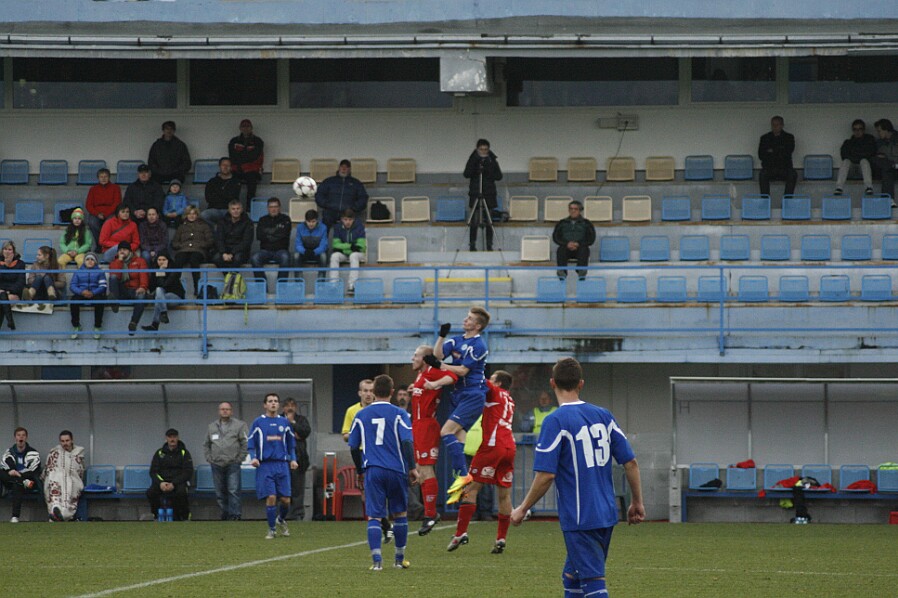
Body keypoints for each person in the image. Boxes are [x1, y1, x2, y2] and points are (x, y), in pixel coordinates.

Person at [510, 357, 645, 597]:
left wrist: (522, 508)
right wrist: (637, 502)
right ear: (580, 383)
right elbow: (630, 462)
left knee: (593, 583)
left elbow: (546, 475)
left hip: (581, 517)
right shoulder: (603, 415)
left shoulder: (555, 420)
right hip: (606, 513)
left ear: (552, 383)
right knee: (572, 577)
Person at [347, 374, 419, 570]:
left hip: (374, 470)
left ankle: (377, 562)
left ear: (374, 392)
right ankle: (399, 559)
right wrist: (412, 467)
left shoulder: (361, 415)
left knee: (374, 516)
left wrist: (360, 470)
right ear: (392, 392)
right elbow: (406, 441)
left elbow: (353, 446)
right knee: (400, 513)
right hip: (396, 469)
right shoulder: (400, 414)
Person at [447, 370, 516, 554]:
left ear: (498, 383)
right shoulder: (509, 399)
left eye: (493, 379)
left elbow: (477, 378)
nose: (489, 382)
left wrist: (457, 368)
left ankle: (460, 533)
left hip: (492, 446)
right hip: (509, 446)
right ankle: (501, 538)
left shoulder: (495, 391)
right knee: (504, 494)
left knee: (470, 488)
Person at [427, 307, 491, 499]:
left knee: (445, 431)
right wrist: (441, 336)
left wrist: (440, 367)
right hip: (459, 394)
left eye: (469, 319)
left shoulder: (479, 345)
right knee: (459, 436)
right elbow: (437, 355)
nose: (465, 320)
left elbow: (463, 371)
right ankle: (464, 481)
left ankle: (463, 475)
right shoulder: (457, 339)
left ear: (477, 325)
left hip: (472, 394)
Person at [409, 345, 457, 535]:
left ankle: (431, 514)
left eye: (416, 355)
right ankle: (428, 513)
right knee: (421, 469)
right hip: (419, 425)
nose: (412, 358)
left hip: (427, 426)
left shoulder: (432, 372)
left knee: (426, 468)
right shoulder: (421, 375)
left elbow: (453, 376)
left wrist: (436, 384)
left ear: (425, 359)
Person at [249, 393, 298, 539]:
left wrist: (293, 460)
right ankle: (271, 529)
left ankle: (281, 520)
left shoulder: (284, 422)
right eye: (270, 401)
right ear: (265, 405)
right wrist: (253, 458)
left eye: (276, 401)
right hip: (265, 465)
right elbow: (251, 444)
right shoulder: (258, 422)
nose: (273, 403)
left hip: (282, 465)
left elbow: (291, 444)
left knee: (286, 500)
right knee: (271, 497)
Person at [203, 401, 248, 521]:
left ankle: (235, 515)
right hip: (216, 463)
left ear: (231, 411)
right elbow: (206, 444)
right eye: (222, 409)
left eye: (227, 409)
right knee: (220, 492)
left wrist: (240, 458)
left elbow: (245, 443)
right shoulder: (211, 426)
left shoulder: (240, 425)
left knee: (233, 490)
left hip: (233, 463)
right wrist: (209, 458)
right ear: (219, 411)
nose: (225, 411)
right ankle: (225, 514)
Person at [463, 139, 503, 251]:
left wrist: (488, 170)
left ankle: (489, 245)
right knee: (475, 220)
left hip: (489, 193)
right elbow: (466, 174)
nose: (484, 151)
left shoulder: (492, 160)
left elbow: (499, 176)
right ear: (477, 149)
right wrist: (476, 166)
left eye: (486, 149)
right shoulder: (473, 159)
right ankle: (472, 244)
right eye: (481, 149)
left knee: (489, 220)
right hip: (476, 193)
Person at [147, 428, 195, 521]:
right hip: (162, 482)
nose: (172, 439)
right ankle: (156, 515)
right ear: (166, 439)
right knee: (151, 492)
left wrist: (174, 483)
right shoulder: (159, 453)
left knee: (181, 492)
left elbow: (188, 471)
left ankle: (184, 516)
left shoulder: (184, 453)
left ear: (178, 438)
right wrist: (161, 483)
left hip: (178, 482)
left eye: (174, 437)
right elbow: (153, 471)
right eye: (170, 437)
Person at [171, 205, 215, 297]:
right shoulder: (181, 227)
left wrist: (200, 245)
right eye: (189, 214)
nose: (191, 216)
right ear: (186, 215)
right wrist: (182, 246)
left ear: (197, 215)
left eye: (194, 214)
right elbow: (174, 242)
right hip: (183, 250)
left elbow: (210, 241)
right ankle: (176, 287)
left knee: (194, 260)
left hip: (198, 251)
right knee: (179, 260)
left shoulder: (204, 226)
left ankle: (196, 288)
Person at [42, 430, 85, 522]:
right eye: (62, 441)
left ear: (72, 440)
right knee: (55, 485)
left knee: (70, 499)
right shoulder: (54, 453)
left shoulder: (78, 454)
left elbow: (80, 471)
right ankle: (56, 509)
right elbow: (48, 469)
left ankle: (60, 515)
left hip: (73, 481)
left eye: (67, 441)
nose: (65, 443)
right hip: (56, 481)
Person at [107, 241, 150, 335]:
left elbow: (144, 275)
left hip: (135, 289)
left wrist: (143, 287)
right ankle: (114, 302)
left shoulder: (139, 261)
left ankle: (133, 322)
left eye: (125, 250)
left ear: (130, 251)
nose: (122, 252)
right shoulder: (115, 262)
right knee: (113, 277)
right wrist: (119, 261)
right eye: (120, 250)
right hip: (122, 290)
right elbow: (116, 276)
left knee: (141, 296)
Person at [0, 427, 41, 522]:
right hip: (13, 479)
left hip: (28, 480)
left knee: (17, 484)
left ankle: (15, 516)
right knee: (4, 474)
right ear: (15, 437)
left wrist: (19, 475)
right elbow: (5, 465)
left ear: (26, 437)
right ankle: (19, 482)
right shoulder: (9, 452)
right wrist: (11, 471)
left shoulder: (33, 453)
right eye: (18, 435)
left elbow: (33, 471)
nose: (21, 437)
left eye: (23, 435)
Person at [459, 414, 495, 522]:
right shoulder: (467, 413)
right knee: (468, 483)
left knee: (485, 483)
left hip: (484, 453)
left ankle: (486, 512)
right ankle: (471, 512)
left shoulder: (488, 413)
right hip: (467, 453)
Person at [251, 197, 292, 291]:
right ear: (267, 208)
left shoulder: (286, 219)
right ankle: (262, 288)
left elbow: (284, 234)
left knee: (285, 257)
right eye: (271, 207)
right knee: (255, 258)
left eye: (276, 206)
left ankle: (281, 289)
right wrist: (276, 233)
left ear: (279, 208)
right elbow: (259, 236)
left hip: (281, 251)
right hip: (265, 251)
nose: (273, 209)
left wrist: (268, 233)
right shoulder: (262, 220)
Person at [315, 159, 369, 227]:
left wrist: (353, 208)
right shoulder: (329, 181)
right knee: (325, 221)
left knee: (355, 222)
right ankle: (324, 238)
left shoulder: (356, 183)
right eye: (342, 167)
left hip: (349, 212)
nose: (343, 169)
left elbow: (363, 198)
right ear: (339, 168)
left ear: (349, 169)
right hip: (331, 211)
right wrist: (327, 205)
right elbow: (319, 195)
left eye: (346, 167)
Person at [282, 398, 311, 521]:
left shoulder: (301, 419)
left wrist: (292, 423)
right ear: (283, 407)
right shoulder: (277, 419)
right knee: (282, 489)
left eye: (292, 405)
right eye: (287, 405)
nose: (290, 408)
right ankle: (283, 514)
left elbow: (304, 432)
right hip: (282, 459)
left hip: (299, 458)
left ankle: (297, 515)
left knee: (297, 489)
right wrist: (294, 435)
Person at [141, 252, 185, 332]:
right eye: (159, 260)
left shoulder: (174, 271)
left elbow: (165, 285)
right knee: (159, 293)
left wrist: (161, 272)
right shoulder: (154, 270)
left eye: (164, 260)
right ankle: (163, 314)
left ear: (168, 260)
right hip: (162, 298)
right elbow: (152, 287)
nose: (161, 262)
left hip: (175, 297)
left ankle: (155, 324)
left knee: (159, 296)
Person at [552, 200, 596, 280]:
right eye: (571, 209)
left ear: (580, 210)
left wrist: (578, 243)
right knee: (561, 249)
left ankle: (581, 272)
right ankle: (562, 273)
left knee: (585, 250)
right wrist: (566, 244)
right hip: (566, 248)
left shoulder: (586, 223)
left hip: (580, 248)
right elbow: (556, 237)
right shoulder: (562, 223)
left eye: (575, 209)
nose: (573, 211)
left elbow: (591, 239)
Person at [69, 252, 107, 339]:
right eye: (87, 259)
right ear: (84, 261)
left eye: (92, 259)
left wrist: (93, 292)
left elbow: (103, 286)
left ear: (95, 262)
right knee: (73, 301)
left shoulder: (100, 272)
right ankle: (76, 326)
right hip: (81, 293)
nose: (90, 261)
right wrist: (82, 292)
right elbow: (73, 285)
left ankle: (97, 326)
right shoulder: (78, 272)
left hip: (95, 293)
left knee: (100, 301)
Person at [835, 119, 877, 196]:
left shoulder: (869, 140)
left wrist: (854, 155)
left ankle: (868, 187)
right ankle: (839, 188)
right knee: (846, 161)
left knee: (864, 161)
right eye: (855, 129)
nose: (857, 131)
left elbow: (870, 153)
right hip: (851, 170)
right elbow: (844, 155)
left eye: (860, 129)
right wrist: (860, 155)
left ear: (864, 130)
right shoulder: (848, 142)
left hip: (864, 170)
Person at [328, 209, 366, 293]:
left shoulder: (360, 227)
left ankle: (352, 286)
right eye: (345, 220)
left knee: (353, 256)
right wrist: (350, 246)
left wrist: (345, 247)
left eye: (350, 220)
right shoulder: (337, 227)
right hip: (344, 253)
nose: (348, 222)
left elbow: (361, 246)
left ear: (353, 219)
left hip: (358, 253)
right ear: (342, 219)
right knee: (334, 256)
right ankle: (333, 285)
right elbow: (335, 244)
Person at [758, 115, 797, 197]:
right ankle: (765, 201)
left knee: (793, 174)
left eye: (777, 125)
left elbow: (788, 152)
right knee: (762, 174)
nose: (775, 127)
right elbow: (761, 155)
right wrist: (779, 150)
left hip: (784, 168)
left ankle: (787, 201)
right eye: (773, 125)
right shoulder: (765, 138)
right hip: (769, 168)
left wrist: (772, 151)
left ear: (782, 125)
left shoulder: (789, 137)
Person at [228, 119, 264, 202]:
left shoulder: (258, 141)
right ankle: (234, 205)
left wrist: (241, 156)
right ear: (240, 128)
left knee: (252, 181)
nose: (245, 128)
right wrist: (245, 156)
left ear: (251, 128)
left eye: (248, 126)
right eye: (243, 126)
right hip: (237, 169)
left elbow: (255, 156)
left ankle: (249, 207)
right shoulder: (234, 141)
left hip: (252, 170)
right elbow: (232, 156)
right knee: (231, 181)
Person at [214, 200, 254, 270]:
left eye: (238, 209)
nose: (236, 211)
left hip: (241, 251)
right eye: (233, 209)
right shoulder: (222, 222)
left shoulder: (248, 222)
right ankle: (229, 277)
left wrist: (232, 253)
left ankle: (230, 278)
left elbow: (246, 242)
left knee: (237, 258)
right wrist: (223, 253)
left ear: (241, 210)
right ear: (229, 210)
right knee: (216, 258)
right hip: (225, 249)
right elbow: (219, 239)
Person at [148, 120, 191, 185]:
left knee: (177, 182)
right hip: (159, 174)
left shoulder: (180, 145)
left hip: (176, 174)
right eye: (167, 129)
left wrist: (177, 171)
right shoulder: (156, 145)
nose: (169, 131)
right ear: (163, 130)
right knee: (152, 183)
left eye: (171, 129)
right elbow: (151, 161)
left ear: (174, 131)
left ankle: (172, 195)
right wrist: (159, 171)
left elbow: (187, 163)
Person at [85, 168, 121, 245]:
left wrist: (106, 214)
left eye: (106, 176)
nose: (103, 179)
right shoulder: (93, 189)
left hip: (111, 212)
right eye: (101, 177)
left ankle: (108, 243)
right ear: (98, 178)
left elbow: (117, 203)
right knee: (92, 222)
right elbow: (88, 205)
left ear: (109, 177)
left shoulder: (115, 188)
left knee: (109, 222)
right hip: (96, 213)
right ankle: (100, 243)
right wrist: (97, 214)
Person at [202, 157, 242, 225]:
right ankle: (215, 230)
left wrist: (218, 194)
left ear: (231, 167)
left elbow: (233, 197)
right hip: (214, 209)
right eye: (223, 165)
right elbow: (208, 198)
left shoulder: (236, 181)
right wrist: (224, 194)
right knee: (203, 215)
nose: (225, 167)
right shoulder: (212, 181)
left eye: (228, 165)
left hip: (229, 210)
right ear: (219, 166)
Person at [294, 209, 328, 280]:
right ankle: (299, 282)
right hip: (304, 252)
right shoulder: (300, 227)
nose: (311, 224)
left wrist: (314, 252)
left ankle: (321, 282)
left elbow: (324, 245)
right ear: (305, 221)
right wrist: (304, 251)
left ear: (317, 220)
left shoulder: (323, 227)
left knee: (323, 256)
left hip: (317, 253)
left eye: (313, 221)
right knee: (296, 256)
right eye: (309, 221)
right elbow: (298, 244)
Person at [0, 241, 26, 331]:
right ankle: (10, 321)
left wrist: (8, 291)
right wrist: (5, 266)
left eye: (9, 249)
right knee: (2, 299)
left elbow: (21, 282)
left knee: (3, 299)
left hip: (13, 293)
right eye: (5, 249)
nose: (7, 251)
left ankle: (10, 321)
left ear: (13, 252)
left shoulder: (20, 264)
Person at [874, 118, 898, 200]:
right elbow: (878, 157)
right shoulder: (879, 143)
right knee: (886, 172)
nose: (878, 133)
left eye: (879, 131)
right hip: (890, 168)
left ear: (886, 130)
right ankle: (888, 201)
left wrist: (888, 158)